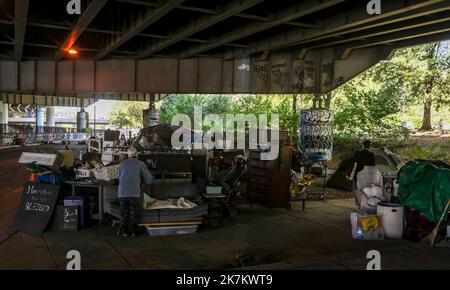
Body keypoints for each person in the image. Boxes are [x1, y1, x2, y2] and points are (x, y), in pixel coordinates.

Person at [118, 147, 154, 237]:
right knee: (134, 212)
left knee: (124, 212)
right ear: (136, 155)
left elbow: (119, 178)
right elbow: (149, 179)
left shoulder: (122, 164)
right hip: (134, 192)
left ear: (128, 155)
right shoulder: (140, 163)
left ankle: (124, 232)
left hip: (122, 192)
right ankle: (133, 232)